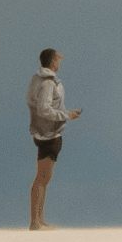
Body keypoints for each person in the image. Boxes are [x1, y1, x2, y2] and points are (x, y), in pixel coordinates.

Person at [27, 47, 81, 230]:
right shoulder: (48, 82)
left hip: (42, 132)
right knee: (42, 178)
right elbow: (44, 108)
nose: (59, 63)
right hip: (49, 135)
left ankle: (39, 220)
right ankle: (36, 222)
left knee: (43, 178)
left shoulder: (36, 79)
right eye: (57, 60)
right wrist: (66, 115)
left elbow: (31, 101)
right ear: (52, 62)